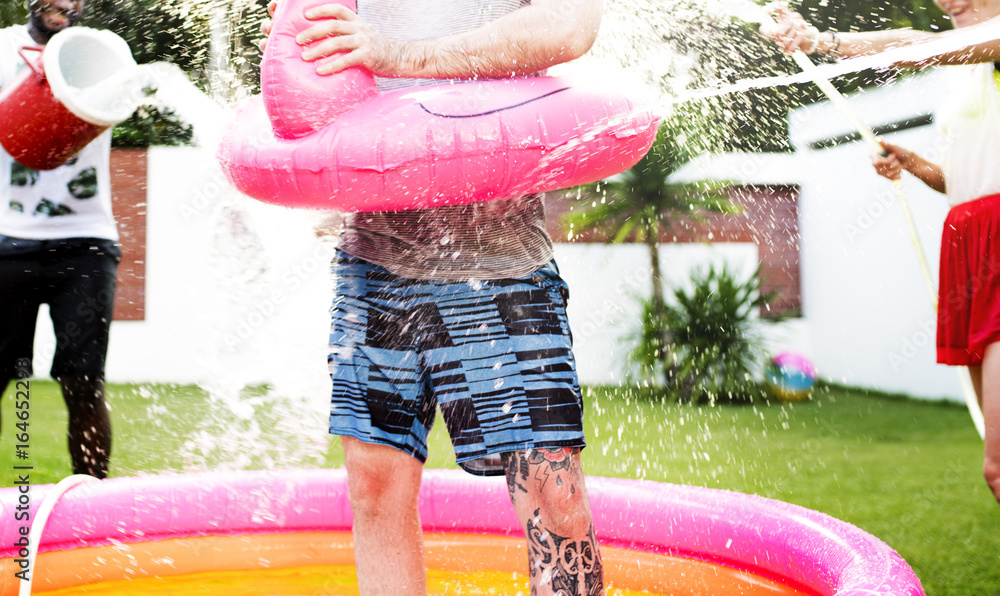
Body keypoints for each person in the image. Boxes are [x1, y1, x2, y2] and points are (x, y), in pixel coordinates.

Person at [261, 0, 606, 594]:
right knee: (374, 482)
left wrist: (398, 56)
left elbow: (570, 26)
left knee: (550, 492)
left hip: (498, 261)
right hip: (371, 257)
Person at [764, 1, 1000, 506]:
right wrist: (914, 163)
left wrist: (818, 42)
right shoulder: (963, 73)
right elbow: (965, 183)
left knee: (999, 467)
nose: (947, 2)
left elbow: (916, 46)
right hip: (968, 242)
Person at [0, 0, 119, 479]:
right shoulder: (4, 48)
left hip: (87, 243)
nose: (63, 3)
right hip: (9, 240)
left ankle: (93, 505)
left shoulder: (102, 52)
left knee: (84, 382)